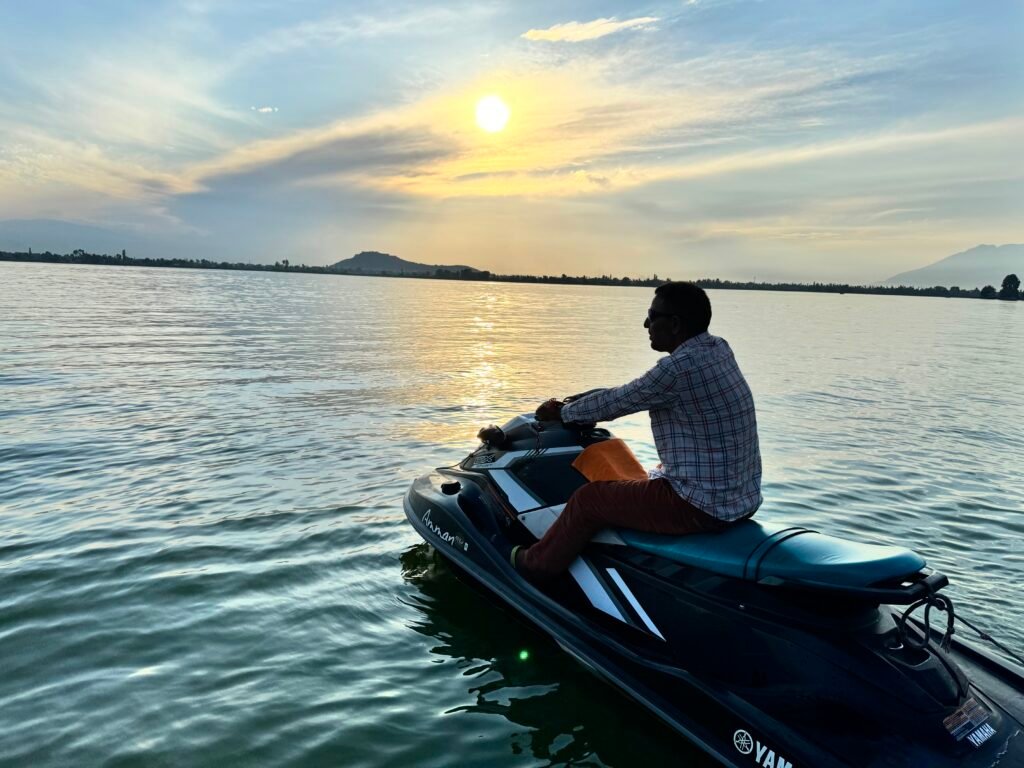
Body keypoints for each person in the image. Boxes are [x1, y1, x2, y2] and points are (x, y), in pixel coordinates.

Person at [512, 281, 762, 578]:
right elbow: (634, 392)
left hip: (700, 507)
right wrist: (581, 402)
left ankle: (537, 564)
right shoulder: (717, 348)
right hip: (742, 500)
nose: (646, 324)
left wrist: (563, 412)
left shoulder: (676, 370)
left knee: (588, 499)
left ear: (675, 324)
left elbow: (618, 402)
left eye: (652, 316)